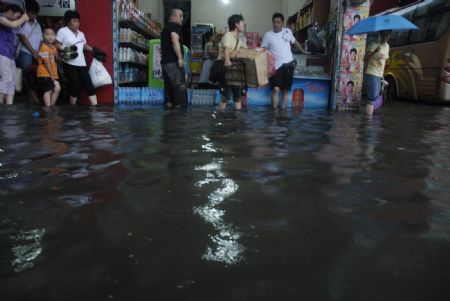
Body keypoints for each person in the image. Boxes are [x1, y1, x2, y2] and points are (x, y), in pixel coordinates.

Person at [261, 13, 309, 110]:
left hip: (288, 64)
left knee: (286, 90)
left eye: (278, 22)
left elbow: (295, 42)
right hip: (275, 66)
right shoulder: (268, 35)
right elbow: (263, 50)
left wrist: (304, 51)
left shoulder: (287, 32)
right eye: (274, 22)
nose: (276, 24)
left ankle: (283, 111)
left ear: (282, 23)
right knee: (275, 89)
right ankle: (274, 112)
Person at [56, 10, 105, 106]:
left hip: (81, 63)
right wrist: (64, 50)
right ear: (68, 21)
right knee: (76, 86)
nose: (77, 23)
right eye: (74, 21)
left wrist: (93, 50)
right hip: (69, 63)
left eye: (78, 21)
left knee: (89, 85)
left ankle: (95, 106)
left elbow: (83, 45)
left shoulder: (81, 33)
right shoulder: (62, 31)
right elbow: (56, 43)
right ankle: (72, 107)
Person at [0, 3, 29, 105]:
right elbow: (13, 24)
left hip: (10, 55)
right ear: (10, 12)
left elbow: (16, 25)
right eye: (17, 16)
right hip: (2, 53)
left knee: (12, 80)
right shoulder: (1, 16)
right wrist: (23, 18)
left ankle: (9, 104)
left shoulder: (12, 22)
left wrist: (22, 19)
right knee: (6, 78)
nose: (17, 19)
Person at [217, 14, 247, 111]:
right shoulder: (228, 35)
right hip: (225, 68)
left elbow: (247, 50)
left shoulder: (238, 40)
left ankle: (237, 119)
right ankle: (220, 116)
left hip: (234, 70)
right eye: (242, 22)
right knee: (226, 94)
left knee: (237, 93)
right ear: (236, 24)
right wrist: (227, 60)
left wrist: (261, 51)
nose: (244, 25)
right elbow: (227, 50)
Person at [160, 8, 187, 108]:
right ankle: (178, 111)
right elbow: (174, 41)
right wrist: (180, 58)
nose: (182, 19)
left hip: (165, 63)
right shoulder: (175, 27)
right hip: (173, 62)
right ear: (173, 16)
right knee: (178, 86)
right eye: (180, 16)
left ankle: (169, 105)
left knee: (168, 86)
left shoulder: (165, 28)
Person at [16, 0, 42, 103]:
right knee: (29, 75)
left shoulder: (37, 24)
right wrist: (33, 52)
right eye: (32, 13)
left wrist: (38, 52)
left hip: (36, 54)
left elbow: (40, 40)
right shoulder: (22, 23)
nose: (34, 15)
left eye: (36, 13)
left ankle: (32, 98)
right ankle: (34, 99)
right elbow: (23, 38)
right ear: (26, 12)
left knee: (35, 75)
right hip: (25, 52)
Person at [364, 30, 390, 115]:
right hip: (371, 72)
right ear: (380, 35)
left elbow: (383, 62)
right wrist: (374, 52)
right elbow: (365, 59)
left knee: (375, 97)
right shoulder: (373, 45)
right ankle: (368, 123)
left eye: (387, 35)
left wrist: (382, 74)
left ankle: (368, 120)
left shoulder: (387, 46)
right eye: (383, 35)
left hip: (379, 75)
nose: (385, 37)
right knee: (371, 99)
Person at [37, 27, 61, 107]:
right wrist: (51, 75)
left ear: (55, 37)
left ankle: (51, 105)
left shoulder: (53, 47)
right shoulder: (43, 47)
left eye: (52, 34)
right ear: (43, 36)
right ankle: (48, 107)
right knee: (48, 90)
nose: (50, 36)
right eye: (47, 34)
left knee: (57, 88)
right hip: (45, 73)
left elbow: (57, 58)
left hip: (52, 73)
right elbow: (46, 62)